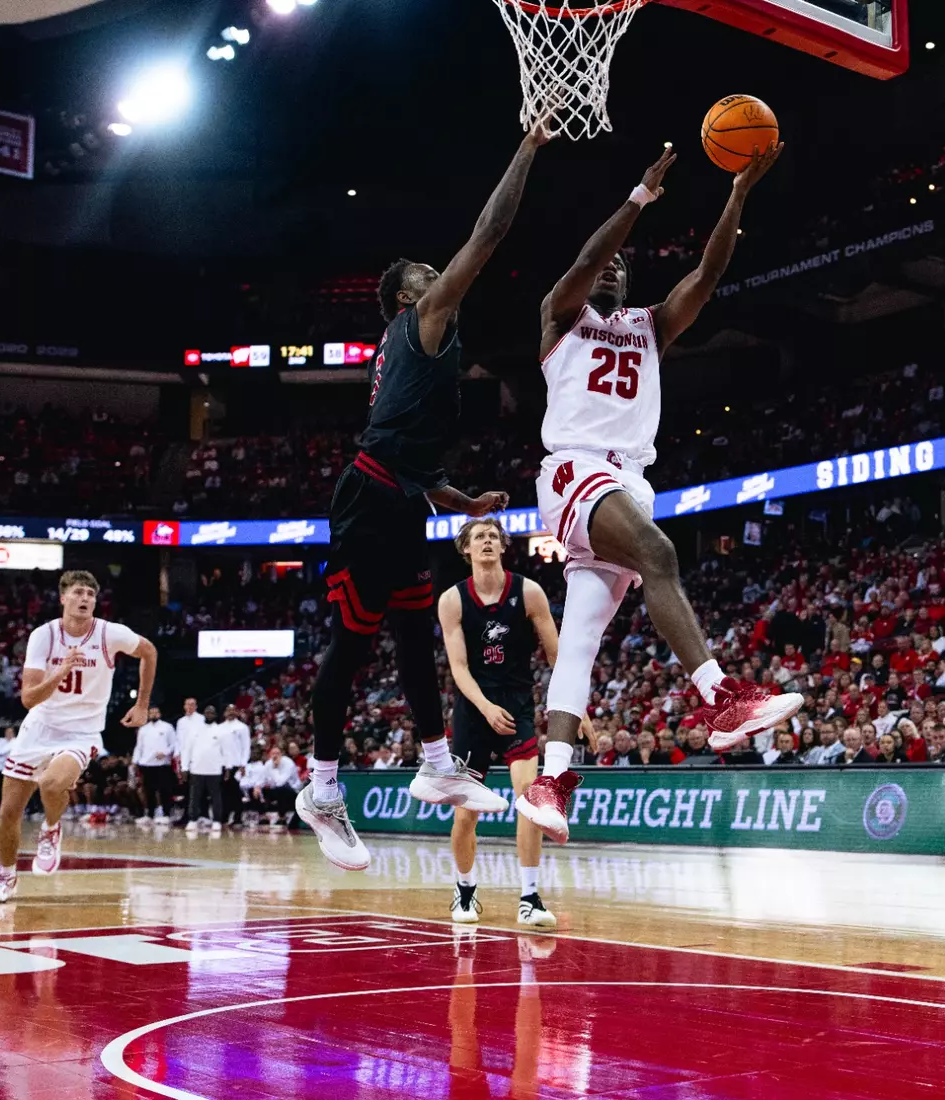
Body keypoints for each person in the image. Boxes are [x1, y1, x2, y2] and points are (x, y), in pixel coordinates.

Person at [517, 140, 803, 842]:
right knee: (659, 555)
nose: (611, 265)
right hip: (574, 469)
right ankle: (720, 698)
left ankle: (551, 782)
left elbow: (708, 272)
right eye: (604, 260)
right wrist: (638, 202)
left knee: (579, 641)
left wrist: (738, 192)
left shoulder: (652, 325)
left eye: (624, 262)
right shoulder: (560, 315)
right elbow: (586, 261)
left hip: (629, 480)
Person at [300, 123, 560, 871]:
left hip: (398, 497)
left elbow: (405, 452)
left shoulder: (415, 350)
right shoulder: (421, 321)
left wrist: (461, 500)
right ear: (408, 295)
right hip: (369, 501)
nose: (439, 271)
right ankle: (321, 787)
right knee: (352, 647)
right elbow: (490, 232)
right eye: (426, 271)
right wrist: (528, 150)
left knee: (415, 635)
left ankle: (436, 761)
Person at [440, 516, 580, 929]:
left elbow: (558, 658)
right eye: (478, 537)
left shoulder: (528, 592)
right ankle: (465, 890)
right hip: (473, 710)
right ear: (465, 549)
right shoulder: (452, 600)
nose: (486, 541)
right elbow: (459, 668)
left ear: (503, 547)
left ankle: (530, 897)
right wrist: (484, 707)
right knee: (466, 812)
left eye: (492, 537)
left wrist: (579, 708)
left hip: (517, 706)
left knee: (530, 799)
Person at [0, 570, 156, 904]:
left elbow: (149, 651)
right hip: (40, 727)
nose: (85, 599)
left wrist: (143, 705)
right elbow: (29, 699)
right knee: (8, 812)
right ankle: (6, 876)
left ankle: (51, 829)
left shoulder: (109, 633)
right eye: (78, 592)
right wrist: (61, 670)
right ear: (63, 598)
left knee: (50, 784)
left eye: (91, 594)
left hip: (82, 731)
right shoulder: (43, 636)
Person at [182, 706, 229, 834]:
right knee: (194, 797)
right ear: (204, 714)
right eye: (207, 712)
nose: (209, 715)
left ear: (215, 715)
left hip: (214, 770)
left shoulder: (221, 730)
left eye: (212, 713)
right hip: (196, 769)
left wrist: (227, 767)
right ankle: (192, 820)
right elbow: (187, 749)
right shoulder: (195, 730)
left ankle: (216, 821)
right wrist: (184, 767)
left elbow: (226, 751)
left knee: (216, 797)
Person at [132, 706, 178, 824]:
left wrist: (165, 753)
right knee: (149, 791)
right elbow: (139, 747)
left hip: (162, 764)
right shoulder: (143, 729)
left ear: (159, 714)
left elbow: (174, 744)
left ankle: (166, 814)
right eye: (151, 713)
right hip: (147, 764)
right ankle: (150, 815)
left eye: (155, 712)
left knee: (164, 790)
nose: (153, 714)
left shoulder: (167, 727)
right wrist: (135, 761)